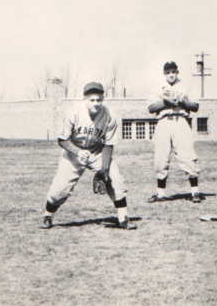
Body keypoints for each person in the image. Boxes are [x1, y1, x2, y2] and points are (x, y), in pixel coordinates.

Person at [40, 82, 135, 230]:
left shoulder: (109, 115)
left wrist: (104, 169)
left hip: (98, 152)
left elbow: (109, 144)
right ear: (84, 99)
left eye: (98, 100)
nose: (95, 103)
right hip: (74, 152)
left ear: (103, 99)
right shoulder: (73, 112)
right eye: (92, 100)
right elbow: (62, 139)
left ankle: (123, 218)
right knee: (60, 188)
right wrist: (78, 152)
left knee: (116, 180)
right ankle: (48, 215)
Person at [147, 61, 202, 203]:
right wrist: (166, 103)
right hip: (163, 122)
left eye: (173, 72)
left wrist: (182, 102)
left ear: (177, 72)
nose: (171, 75)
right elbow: (151, 108)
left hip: (180, 121)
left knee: (187, 155)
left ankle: (195, 192)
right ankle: (161, 194)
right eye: (168, 72)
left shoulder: (185, 85)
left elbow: (195, 106)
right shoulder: (157, 86)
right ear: (164, 74)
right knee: (161, 157)